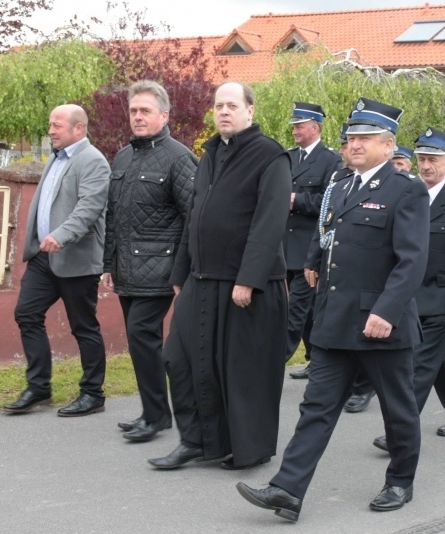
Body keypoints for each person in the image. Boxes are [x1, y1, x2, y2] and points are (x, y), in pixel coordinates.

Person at [236, 98, 429, 521]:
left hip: (381, 323)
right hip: (335, 320)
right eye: (350, 138)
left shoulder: (406, 189)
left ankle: (400, 480)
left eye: (364, 138)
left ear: (387, 144)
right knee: (317, 407)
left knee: (397, 409)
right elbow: (329, 241)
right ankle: (287, 489)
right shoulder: (341, 186)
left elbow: (412, 260)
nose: (354, 145)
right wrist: (310, 263)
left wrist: (387, 311)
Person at [147, 81, 291, 470]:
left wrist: (249, 278)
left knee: (241, 371)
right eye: (218, 106)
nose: (223, 112)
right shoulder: (210, 154)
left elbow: (269, 222)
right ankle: (195, 440)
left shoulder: (271, 156)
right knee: (180, 358)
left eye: (232, 105)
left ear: (250, 111)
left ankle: (249, 448)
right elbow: (195, 217)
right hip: (201, 277)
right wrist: (181, 270)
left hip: (246, 284)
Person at [371, 129, 445, 452]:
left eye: (433, 160)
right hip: (411, 295)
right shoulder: (408, 194)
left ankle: (398, 434)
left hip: (443, 297)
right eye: (422, 159)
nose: (426, 166)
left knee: (418, 365)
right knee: (438, 359)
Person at [102, 81, 197, 441]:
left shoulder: (179, 157)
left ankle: (157, 416)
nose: (137, 117)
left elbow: (195, 216)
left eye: (145, 111)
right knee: (140, 339)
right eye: (133, 111)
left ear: (164, 115)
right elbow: (114, 217)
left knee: (143, 336)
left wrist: (183, 269)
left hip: (161, 269)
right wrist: (108, 266)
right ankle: (152, 412)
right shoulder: (124, 157)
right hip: (127, 270)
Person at [5, 105, 110, 417]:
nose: (50, 131)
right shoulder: (56, 156)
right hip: (43, 257)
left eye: (57, 126)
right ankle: (39, 386)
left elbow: (89, 208)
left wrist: (61, 235)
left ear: (78, 129)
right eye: (50, 124)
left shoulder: (93, 161)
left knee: (83, 327)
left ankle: (93, 394)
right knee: (26, 313)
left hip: (76, 259)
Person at [285, 102, 342, 380]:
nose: (294, 130)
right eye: (293, 126)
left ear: (315, 128)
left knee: (295, 308)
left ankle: (272, 362)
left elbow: (331, 202)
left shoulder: (331, 160)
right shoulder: (288, 157)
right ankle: (316, 360)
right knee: (305, 310)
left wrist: (297, 200)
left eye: (299, 125)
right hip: (284, 246)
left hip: (310, 247)